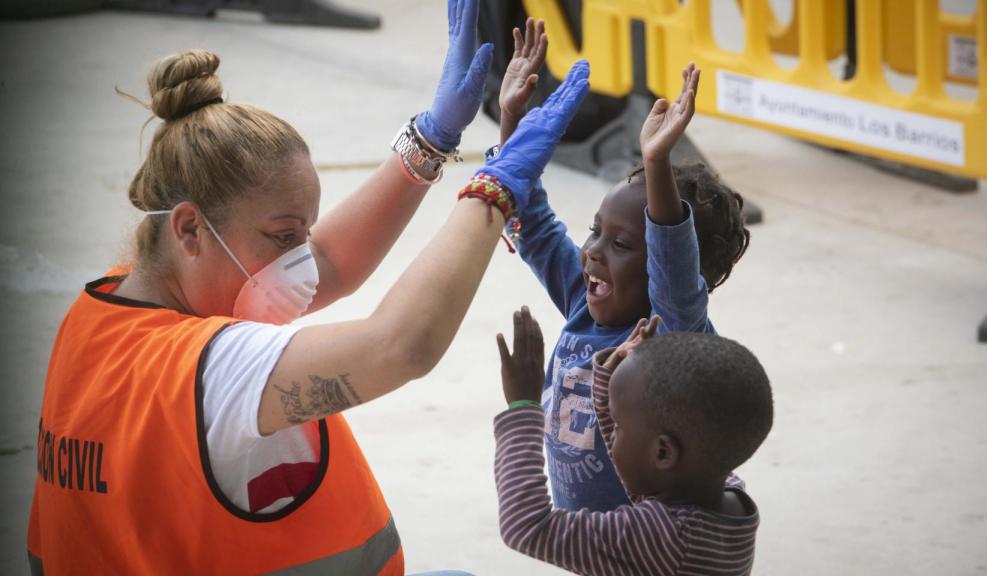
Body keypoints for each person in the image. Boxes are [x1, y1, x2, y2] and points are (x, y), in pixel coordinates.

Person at [25, 0, 592, 571]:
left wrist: (432, 136)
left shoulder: (101, 313)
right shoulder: (212, 372)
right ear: (190, 228)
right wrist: (497, 186)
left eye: (303, 234)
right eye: (282, 236)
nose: (302, 260)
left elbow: (330, 260)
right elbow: (401, 344)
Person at [492, 19, 751, 512]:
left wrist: (655, 161)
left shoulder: (671, 336)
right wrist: (514, 122)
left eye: (621, 244)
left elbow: (675, 270)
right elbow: (534, 225)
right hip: (589, 542)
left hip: (648, 546)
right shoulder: (583, 303)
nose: (592, 252)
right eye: (596, 231)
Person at [493, 309, 773, 576]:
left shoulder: (664, 539)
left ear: (663, 452)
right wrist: (612, 381)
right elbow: (643, 467)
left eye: (618, 425)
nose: (609, 436)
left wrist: (523, 403)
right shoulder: (727, 494)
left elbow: (527, 524)